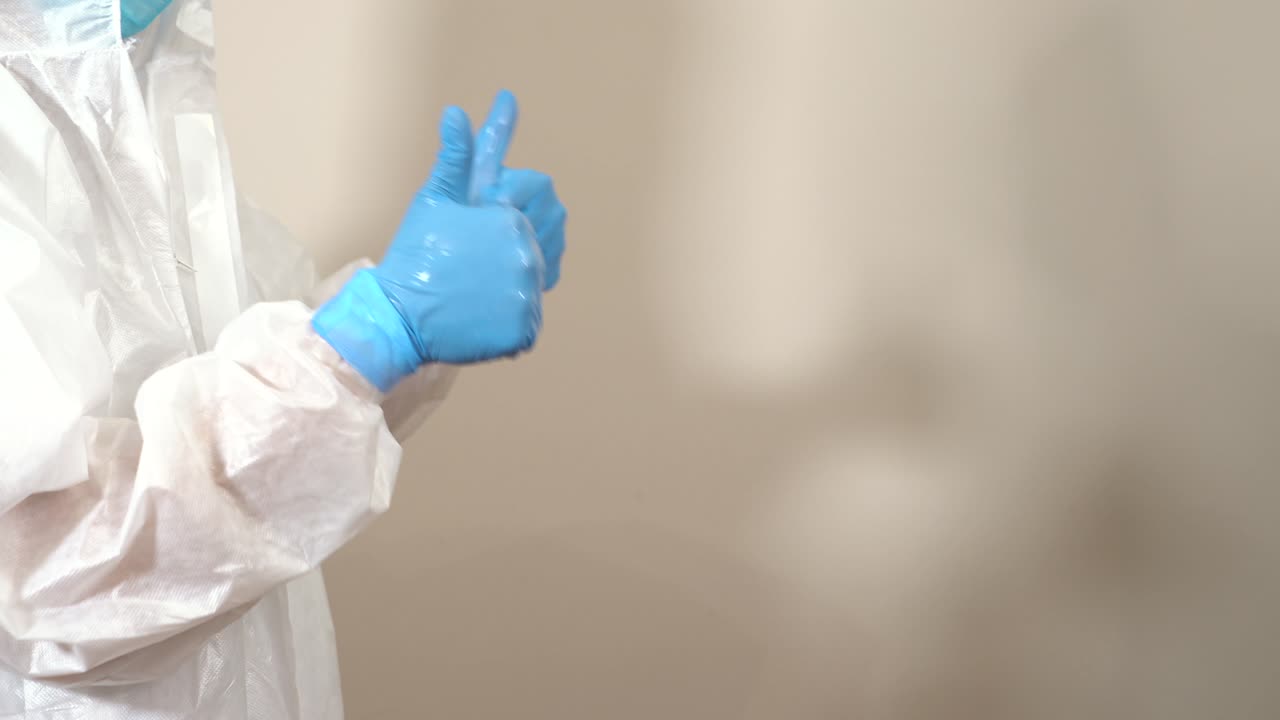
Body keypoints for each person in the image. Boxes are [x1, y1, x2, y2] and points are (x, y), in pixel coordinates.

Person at [0, 0, 567, 717]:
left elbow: (264, 422)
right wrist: (379, 330)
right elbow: (43, 577)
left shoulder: (141, 102)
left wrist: (413, 315)